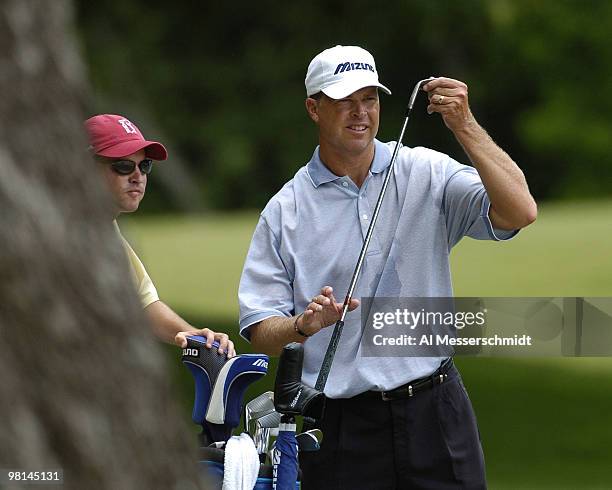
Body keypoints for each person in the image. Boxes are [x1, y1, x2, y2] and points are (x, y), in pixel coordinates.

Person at [238, 45, 537, 488]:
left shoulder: (425, 171)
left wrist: (465, 126)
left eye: (370, 99)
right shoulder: (286, 211)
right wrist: (303, 325)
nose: (360, 113)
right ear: (313, 108)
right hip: (342, 426)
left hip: (435, 407)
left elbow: (519, 212)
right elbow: (261, 327)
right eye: (345, 101)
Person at [85, 114, 235, 357]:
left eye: (144, 166)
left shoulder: (105, 229)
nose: (137, 176)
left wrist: (196, 335)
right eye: (123, 166)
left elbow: (145, 303)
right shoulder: (62, 228)